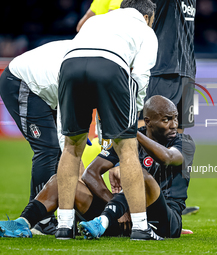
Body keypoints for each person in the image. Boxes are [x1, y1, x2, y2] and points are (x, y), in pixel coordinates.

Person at [0, 95, 195, 240]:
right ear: (149, 121)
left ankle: (106, 219)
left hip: (166, 219)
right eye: (167, 119)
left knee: (138, 175)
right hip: (124, 216)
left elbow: (168, 158)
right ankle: (22, 224)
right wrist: (117, 209)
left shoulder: (184, 142)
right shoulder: (128, 139)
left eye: (175, 118)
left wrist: (131, 133)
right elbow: (91, 174)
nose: (173, 125)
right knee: (60, 182)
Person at [56, 0, 158, 240]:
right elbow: (140, 78)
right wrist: (129, 119)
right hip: (110, 65)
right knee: (128, 150)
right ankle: (142, 228)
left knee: (71, 147)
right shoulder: (146, 30)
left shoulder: (97, 20)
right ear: (147, 17)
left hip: (69, 65)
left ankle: (63, 225)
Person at [0, 40, 72, 236]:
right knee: (49, 149)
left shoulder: (90, 54)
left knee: (56, 151)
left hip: (44, 88)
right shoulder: (86, 66)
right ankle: (43, 220)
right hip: (22, 82)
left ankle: (40, 217)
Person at [137, 0, 196, 133]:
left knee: (176, 131)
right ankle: (143, 155)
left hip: (181, 69)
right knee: (151, 124)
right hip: (166, 67)